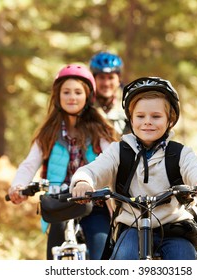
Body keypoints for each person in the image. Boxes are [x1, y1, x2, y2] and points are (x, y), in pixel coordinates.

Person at [70, 76, 197, 260]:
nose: (147, 121)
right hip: (132, 226)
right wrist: (83, 181)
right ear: (131, 120)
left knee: (184, 260)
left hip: (175, 227)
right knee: (123, 258)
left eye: (156, 116)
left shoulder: (179, 153)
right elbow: (94, 169)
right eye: (140, 116)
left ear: (169, 120)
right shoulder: (118, 151)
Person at [8, 64, 118, 260]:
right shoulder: (49, 132)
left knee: (102, 251)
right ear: (58, 96)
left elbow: (113, 157)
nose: (72, 97)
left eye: (78, 92)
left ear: (88, 97)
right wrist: (18, 186)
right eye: (66, 92)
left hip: (95, 203)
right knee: (55, 254)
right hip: (61, 203)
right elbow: (29, 164)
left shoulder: (99, 129)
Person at [90, 51, 129, 135]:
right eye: (101, 77)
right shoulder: (85, 104)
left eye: (111, 78)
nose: (106, 83)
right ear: (94, 79)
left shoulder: (130, 104)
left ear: (119, 79)